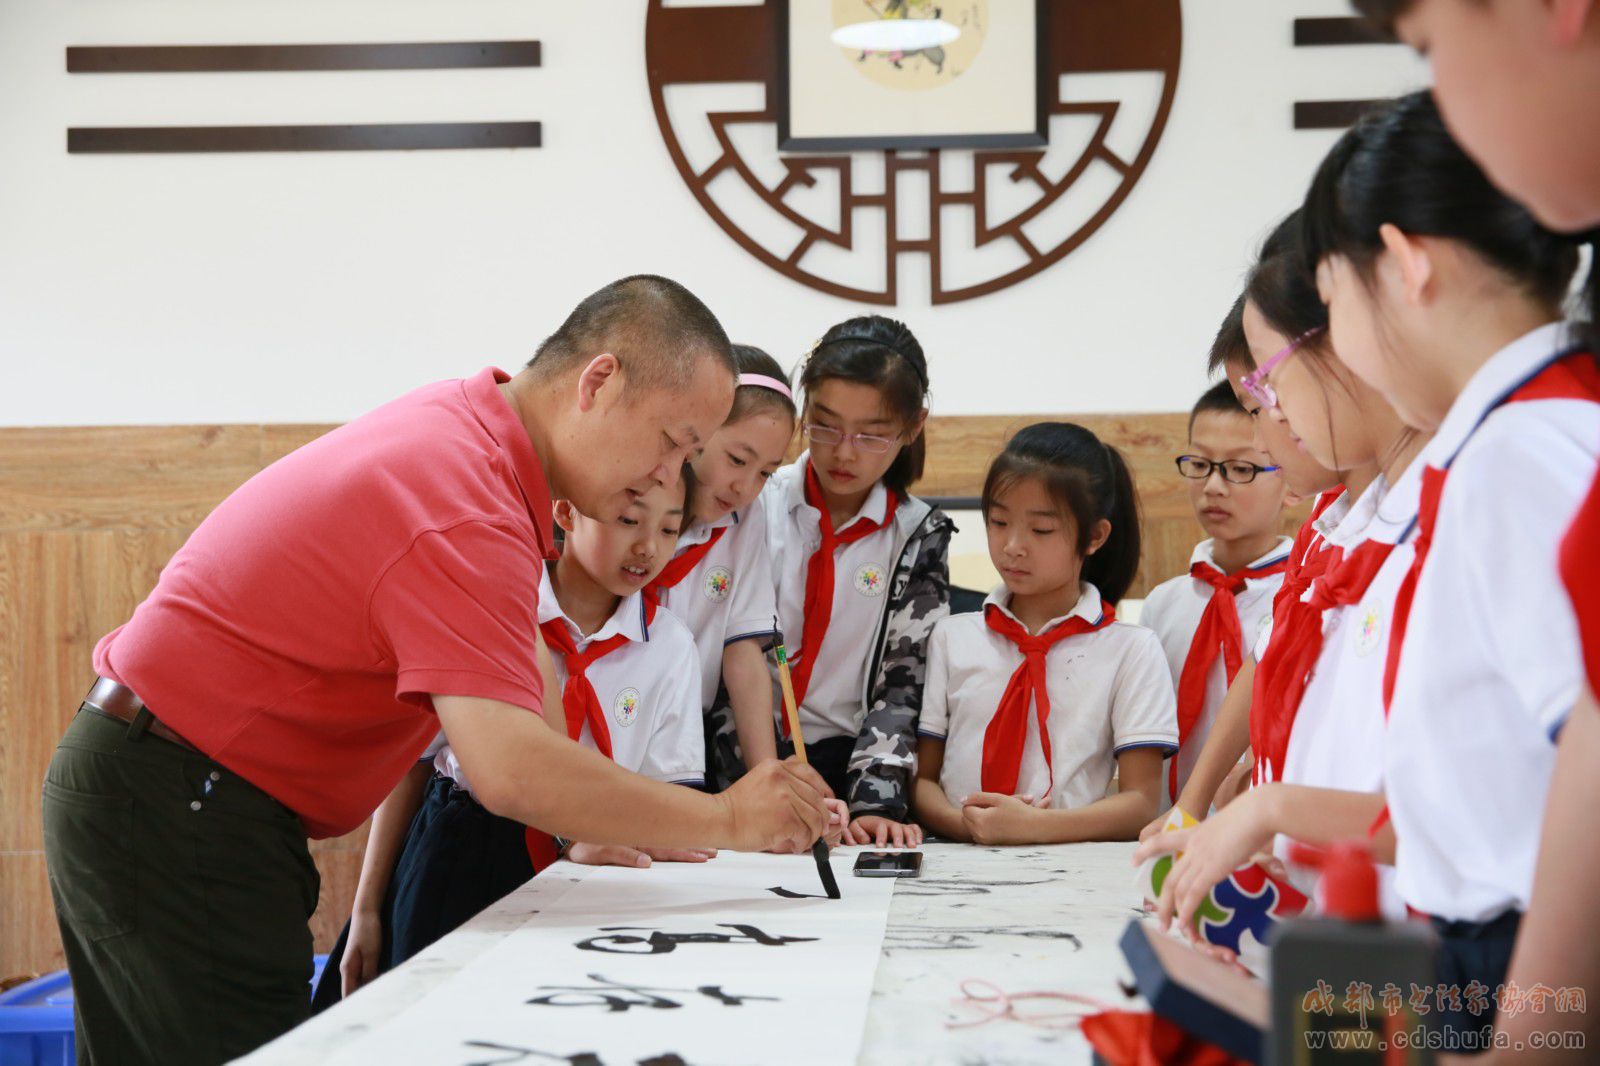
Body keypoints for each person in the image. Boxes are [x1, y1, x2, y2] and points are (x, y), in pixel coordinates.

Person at [40, 275, 833, 1066]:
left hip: (176, 788)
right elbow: (508, 767)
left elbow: (524, 696)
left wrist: (592, 821)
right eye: (672, 442)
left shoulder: (479, 444)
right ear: (599, 381)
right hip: (184, 798)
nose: (671, 478)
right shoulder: (466, 496)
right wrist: (728, 822)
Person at [1304, 89, 1589, 1045]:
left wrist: (1533, 1040)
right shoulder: (1526, 431)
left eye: (1332, 298)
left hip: (1522, 964)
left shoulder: (1524, 449)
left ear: (1405, 265)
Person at [321, 472, 732, 1006]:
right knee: (443, 1015)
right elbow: (414, 765)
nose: (647, 547)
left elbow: (665, 794)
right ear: (566, 511)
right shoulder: (492, 615)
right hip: (466, 851)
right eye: (628, 520)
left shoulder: (671, 646)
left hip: (596, 871)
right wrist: (367, 908)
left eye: (670, 529)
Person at [1137, 204, 1433, 931]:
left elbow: (1477, 816)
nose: (1272, 422)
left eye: (1269, 390)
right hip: (1339, 913)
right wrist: (1237, 797)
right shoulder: (1346, 528)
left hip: (1421, 941)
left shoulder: (1451, 513)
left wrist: (1276, 805)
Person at [913, 422, 1178, 844]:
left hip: (1072, 872)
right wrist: (968, 826)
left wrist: (1033, 828)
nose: (1013, 545)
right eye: (999, 521)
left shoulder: (1132, 650)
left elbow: (1141, 802)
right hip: (954, 860)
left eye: (1040, 530)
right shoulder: (951, 637)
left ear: (1094, 536)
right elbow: (922, 781)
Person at [762, 315, 954, 849]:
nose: (844, 452)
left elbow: (902, 684)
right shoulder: (758, 501)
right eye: (824, 426)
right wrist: (757, 774)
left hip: (853, 763)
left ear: (913, 426)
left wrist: (874, 802)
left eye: (871, 434)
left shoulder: (918, 533)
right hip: (747, 752)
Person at [1140, 381, 1292, 806]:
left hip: (1264, 831)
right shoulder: (1163, 604)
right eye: (1200, 464)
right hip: (1168, 826)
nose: (1213, 486)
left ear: (1292, 482)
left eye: (1241, 469)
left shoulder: (1302, 599)